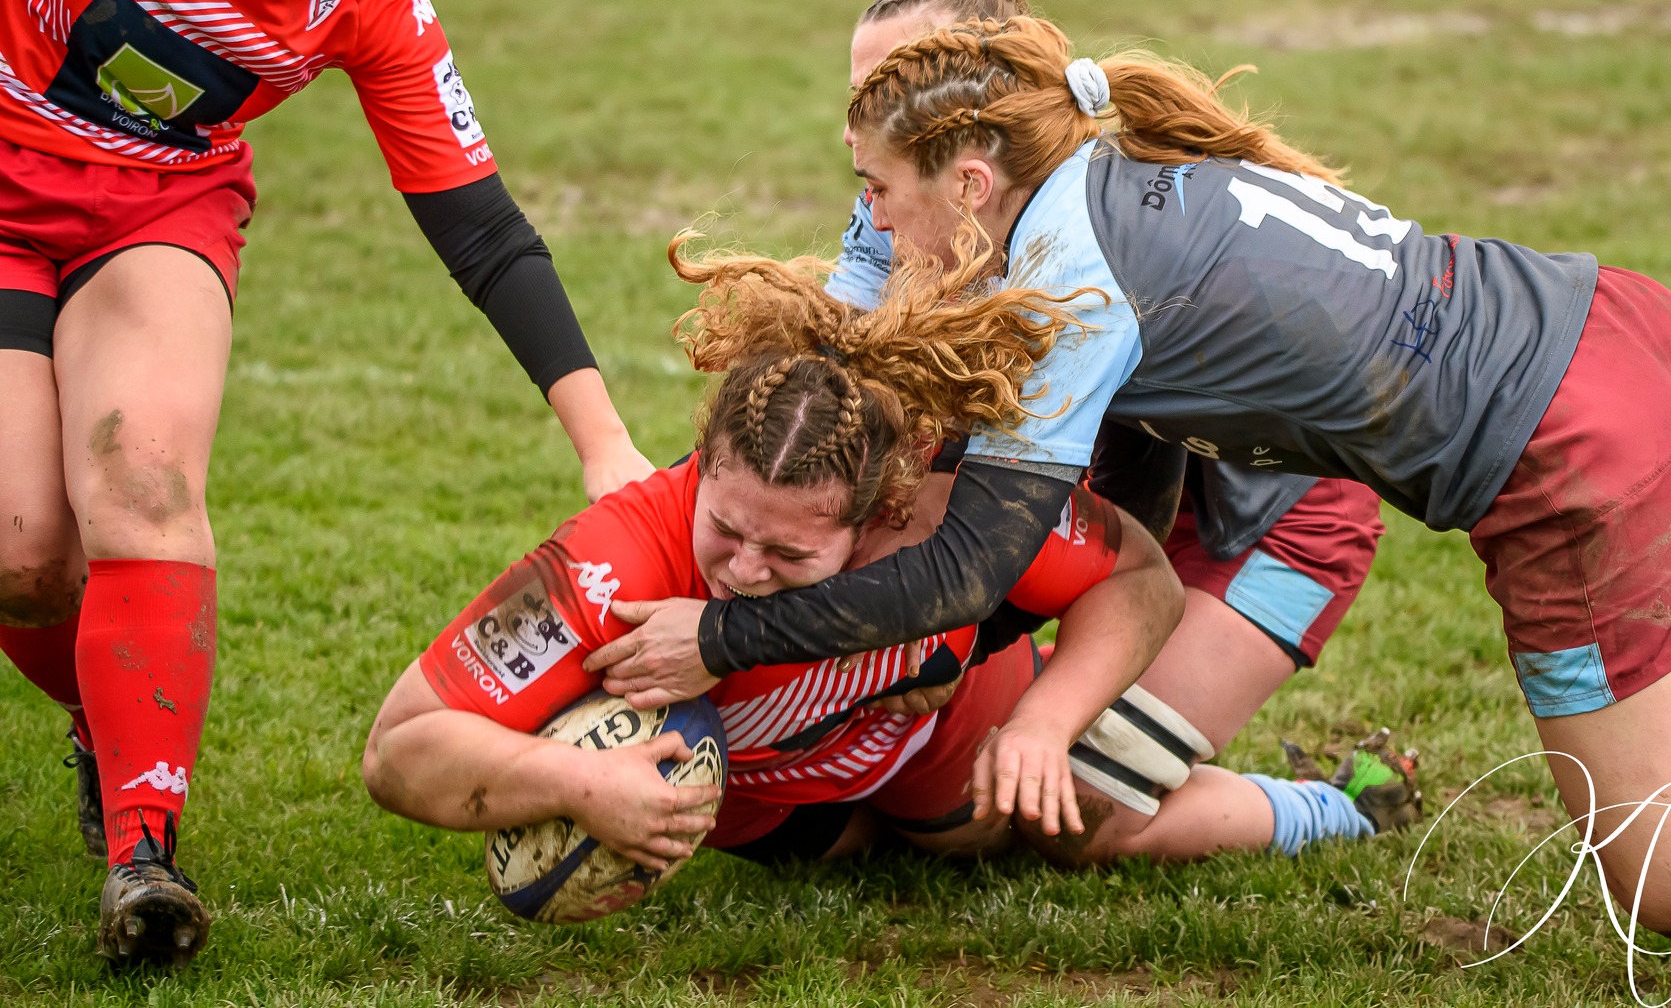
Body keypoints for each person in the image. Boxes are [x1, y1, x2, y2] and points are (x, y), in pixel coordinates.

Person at [615, 13, 1671, 941]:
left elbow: (971, 566)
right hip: (1613, 319)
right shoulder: (1101, 165)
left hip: (1569, 451)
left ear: (971, 180)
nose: (862, 218)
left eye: (875, 189)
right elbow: (913, 300)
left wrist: (724, 632)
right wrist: (867, 251)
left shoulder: (1068, 285)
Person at [0, 0, 652, 965]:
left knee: (144, 480)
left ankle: (146, 848)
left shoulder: (374, 2)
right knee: (24, 548)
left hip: (158, 214)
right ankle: (103, 706)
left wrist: (605, 444)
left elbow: (482, 229)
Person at [362, 237, 1189, 870]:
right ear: (704, 466)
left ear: (874, 514)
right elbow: (400, 748)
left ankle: (1303, 809)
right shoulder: (613, 563)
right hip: (785, 817)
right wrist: (579, 783)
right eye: (724, 526)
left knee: (1060, 826)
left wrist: (1044, 726)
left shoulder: (944, 520)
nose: (744, 569)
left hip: (940, 750)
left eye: (790, 549)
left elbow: (1142, 577)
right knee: (860, 859)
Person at [819, 0, 1406, 858]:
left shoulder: (1079, 236)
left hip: (1272, 523)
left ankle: (1342, 803)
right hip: (1090, 508)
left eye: (896, 77)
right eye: (865, 86)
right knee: (963, 790)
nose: (873, 106)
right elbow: (836, 388)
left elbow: (1139, 502)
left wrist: (950, 638)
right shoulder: (905, 196)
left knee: (1079, 812)